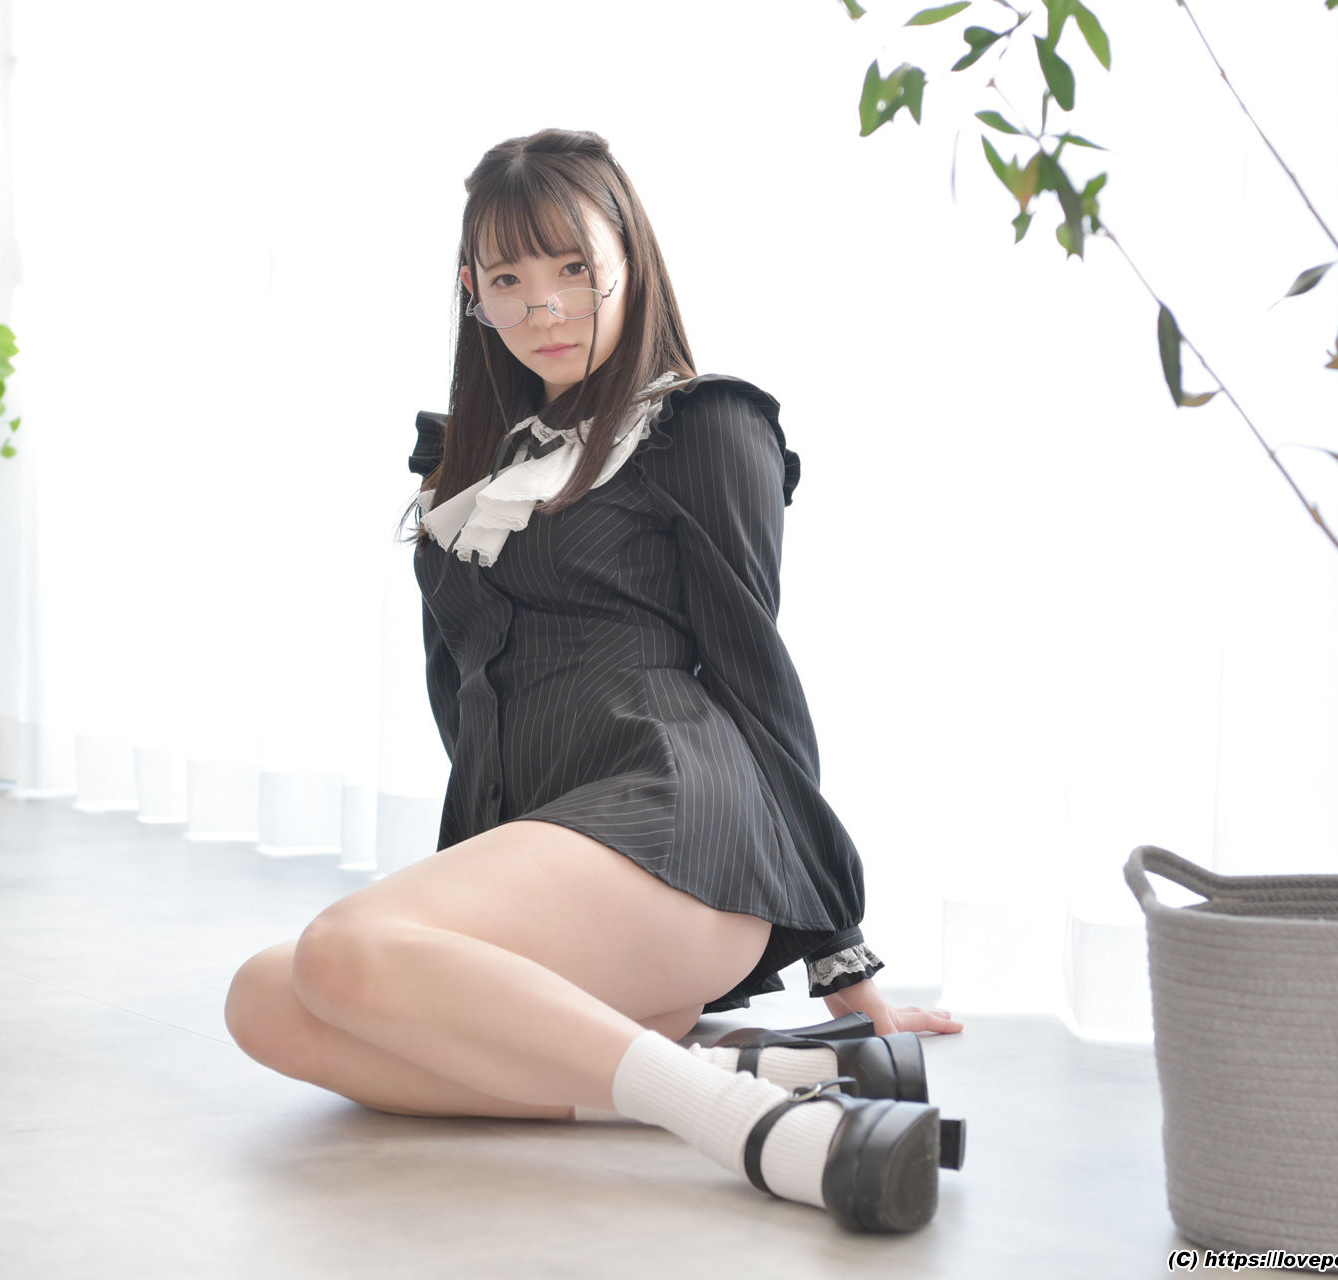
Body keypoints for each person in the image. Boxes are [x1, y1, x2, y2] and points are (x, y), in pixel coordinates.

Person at [225, 128, 966, 1233]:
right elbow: (464, 699)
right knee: (266, 1001)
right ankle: (748, 1078)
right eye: (508, 280)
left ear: (630, 257)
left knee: (341, 952)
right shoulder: (470, 465)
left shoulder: (704, 425)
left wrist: (841, 957)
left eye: (574, 268)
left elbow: (760, 682)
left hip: (683, 829)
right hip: (560, 848)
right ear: (472, 293)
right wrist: (473, 903)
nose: (545, 307)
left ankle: (762, 1133)